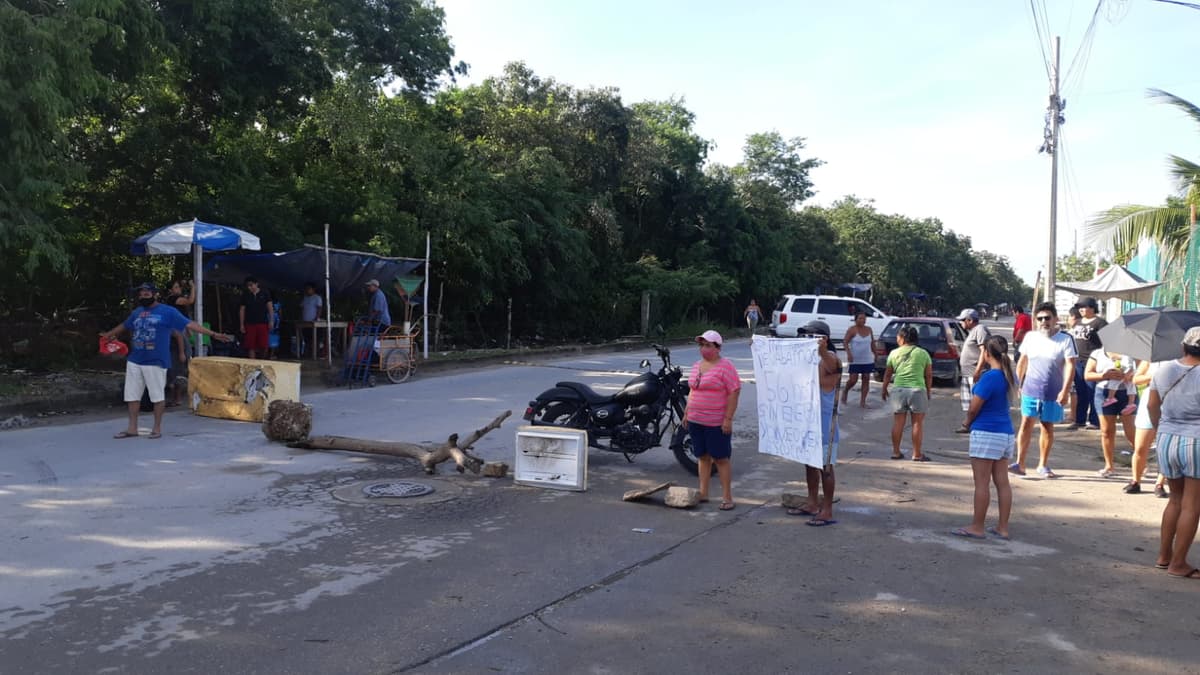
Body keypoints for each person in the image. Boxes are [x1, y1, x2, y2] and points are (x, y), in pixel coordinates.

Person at [100, 282, 233, 439]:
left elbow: (189, 324)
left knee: (157, 396)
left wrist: (213, 334)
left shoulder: (168, 311)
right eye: (141, 294)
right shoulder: (137, 312)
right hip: (135, 360)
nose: (143, 296)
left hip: (156, 361)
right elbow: (124, 326)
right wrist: (107, 335)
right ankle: (132, 428)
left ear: (155, 294)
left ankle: (156, 429)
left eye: (146, 293)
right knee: (132, 395)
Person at [952, 335, 1018, 540]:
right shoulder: (1008, 375)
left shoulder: (990, 377)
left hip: (987, 432)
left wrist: (966, 423)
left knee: (981, 483)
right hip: (1005, 433)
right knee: (1002, 482)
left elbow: (974, 408)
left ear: (987, 353)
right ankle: (1002, 527)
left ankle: (977, 526)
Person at [1148, 326, 1200, 578]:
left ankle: (1164, 556)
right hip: (1196, 441)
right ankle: (1178, 564)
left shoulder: (1164, 369)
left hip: (1167, 438)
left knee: (1175, 499)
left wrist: (1160, 428)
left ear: (1183, 346)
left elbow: (1152, 405)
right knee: (1192, 504)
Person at [1010, 302, 1077, 478]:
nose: (1043, 322)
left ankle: (1043, 465)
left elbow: (1070, 366)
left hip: (1052, 392)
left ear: (1055, 319)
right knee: (1026, 423)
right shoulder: (1031, 337)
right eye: (1039, 319)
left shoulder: (1065, 339)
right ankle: (1020, 464)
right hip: (1030, 389)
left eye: (1047, 318)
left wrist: (1065, 390)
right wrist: (1018, 384)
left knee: (1047, 426)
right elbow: (1022, 362)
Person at [788, 321, 841, 526]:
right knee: (809, 464)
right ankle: (812, 502)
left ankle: (827, 510)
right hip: (807, 423)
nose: (805, 340)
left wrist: (822, 351)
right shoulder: (806, 359)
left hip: (825, 425)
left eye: (811, 336)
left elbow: (833, 366)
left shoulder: (830, 359)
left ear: (823, 339)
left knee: (825, 468)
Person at [684, 330, 741, 511]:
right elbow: (693, 390)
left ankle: (727, 497)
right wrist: (687, 412)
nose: (704, 349)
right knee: (702, 456)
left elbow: (734, 392)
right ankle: (703, 492)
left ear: (718, 348)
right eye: (702, 345)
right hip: (696, 419)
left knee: (720, 458)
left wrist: (728, 418)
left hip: (716, 422)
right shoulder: (697, 366)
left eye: (708, 345)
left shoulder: (726, 367)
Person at [881, 325, 933, 462]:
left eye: (898, 336)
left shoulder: (894, 353)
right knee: (917, 423)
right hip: (917, 390)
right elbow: (928, 375)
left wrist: (884, 388)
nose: (897, 339)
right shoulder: (923, 353)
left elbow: (887, 374)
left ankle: (896, 452)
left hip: (898, 391)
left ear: (903, 338)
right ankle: (917, 454)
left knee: (898, 423)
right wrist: (928, 391)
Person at [1085, 348, 1137, 478]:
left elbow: (1142, 370)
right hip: (1104, 393)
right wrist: (1105, 375)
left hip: (1127, 394)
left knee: (1131, 431)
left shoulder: (1132, 351)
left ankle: (1140, 463)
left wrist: (1130, 375)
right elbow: (1087, 375)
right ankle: (1109, 466)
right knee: (1106, 431)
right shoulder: (1097, 353)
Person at [1127, 359, 1170, 497]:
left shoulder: (1180, 361)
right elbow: (1136, 379)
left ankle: (1160, 483)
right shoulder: (1151, 360)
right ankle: (1136, 480)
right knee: (1140, 446)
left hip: (1171, 403)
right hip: (1149, 402)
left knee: (1165, 448)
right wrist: (1152, 376)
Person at [1070, 296, 1108, 430]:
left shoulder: (1100, 323)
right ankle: (1079, 420)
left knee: (1092, 391)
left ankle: (1095, 421)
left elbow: (1107, 342)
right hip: (1078, 361)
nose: (1081, 310)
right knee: (1081, 392)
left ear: (1092, 307)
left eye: (1083, 307)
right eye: (1079, 308)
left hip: (1092, 362)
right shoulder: (1078, 322)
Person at [955, 308, 991, 433]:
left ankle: (971, 425)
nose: (961, 323)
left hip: (974, 374)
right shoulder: (973, 331)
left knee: (976, 403)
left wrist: (978, 370)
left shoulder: (980, 329)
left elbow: (984, 351)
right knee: (969, 403)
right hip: (968, 373)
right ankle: (970, 424)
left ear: (969, 320)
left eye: (962, 320)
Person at [842, 310, 875, 408]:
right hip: (855, 359)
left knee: (866, 378)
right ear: (855, 319)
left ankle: (863, 402)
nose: (863, 320)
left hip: (867, 359)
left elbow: (872, 343)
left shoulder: (869, 329)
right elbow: (845, 342)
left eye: (864, 318)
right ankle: (845, 391)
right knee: (853, 380)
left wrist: (876, 353)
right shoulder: (852, 330)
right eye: (860, 318)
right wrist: (848, 353)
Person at [239, 276, 273, 359]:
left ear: (256, 284)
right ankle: (253, 363)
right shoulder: (245, 295)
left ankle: (262, 361)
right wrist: (242, 324)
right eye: (248, 286)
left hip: (263, 322)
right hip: (250, 323)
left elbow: (270, 308)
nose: (249, 287)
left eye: (251, 285)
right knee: (251, 345)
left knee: (264, 345)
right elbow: (242, 310)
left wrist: (271, 321)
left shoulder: (265, 293)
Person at [299, 282, 324, 357]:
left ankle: (315, 354)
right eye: (306, 288)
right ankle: (307, 354)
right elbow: (302, 308)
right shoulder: (305, 298)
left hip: (314, 322)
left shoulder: (317, 297)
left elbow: (319, 308)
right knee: (307, 339)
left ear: (313, 289)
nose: (307, 290)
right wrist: (301, 318)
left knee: (315, 339)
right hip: (305, 322)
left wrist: (316, 318)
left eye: (309, 288)